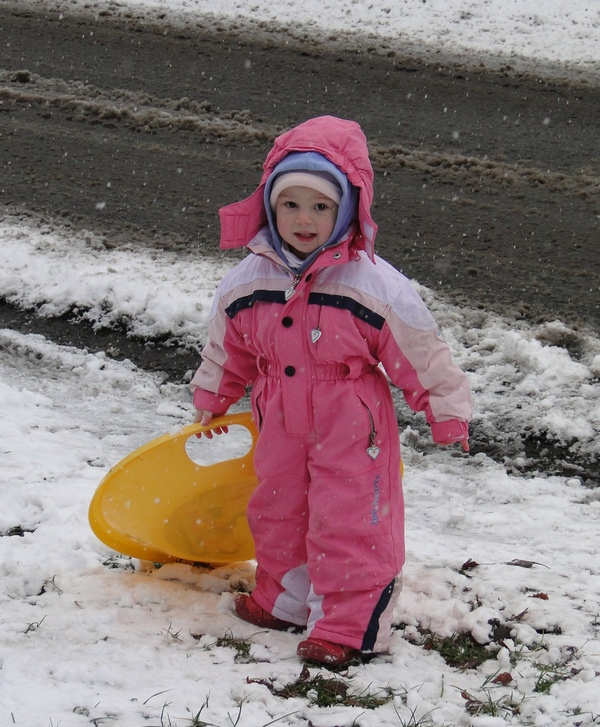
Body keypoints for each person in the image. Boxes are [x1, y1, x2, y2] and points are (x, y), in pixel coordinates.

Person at [190, 115, 472, 667]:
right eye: (290, 204)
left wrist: (445, 409)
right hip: (279, 418)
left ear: (345, 209)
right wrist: (213, 396)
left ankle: (348, 625)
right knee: (278, 510)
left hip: (352, 421)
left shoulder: (372, 283)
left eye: (321, 206)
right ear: (270, 205)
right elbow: (227, 344)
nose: (304, 219)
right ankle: (287, 600)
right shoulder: (250, 278)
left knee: (350, 521)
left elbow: (420, 350)